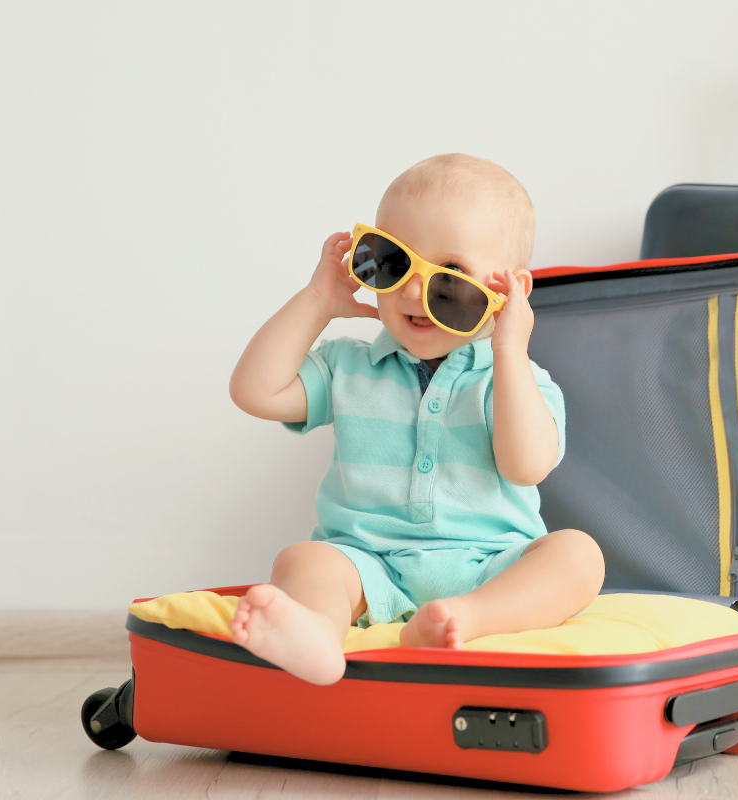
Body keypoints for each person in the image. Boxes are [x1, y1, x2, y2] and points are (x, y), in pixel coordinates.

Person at [227, 153, 604, 685]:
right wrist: (317, 301)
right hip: (368, 561)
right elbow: (254, 391)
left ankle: (464, 620)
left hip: (491, 566)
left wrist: (511, 351)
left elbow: (527, 466)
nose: (412, 292)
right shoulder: (348, 366)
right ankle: (315, 633)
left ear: (507, 294)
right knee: (304, 559)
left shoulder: (518, 379)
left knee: (578, 555)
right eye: (393, 263)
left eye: (448, 279)